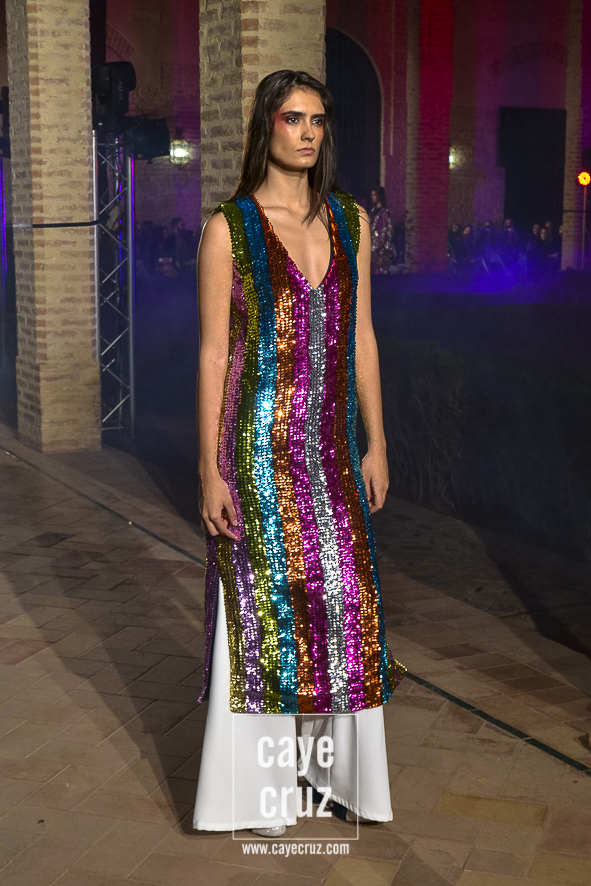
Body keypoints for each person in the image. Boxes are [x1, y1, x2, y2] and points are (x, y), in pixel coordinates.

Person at [193, 69, 406, 838]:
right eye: (293, 118)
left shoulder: (350, 220)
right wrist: (208, 467)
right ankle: (257, 795)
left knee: (346, 601)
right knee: (265, 607)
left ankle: (334, 778)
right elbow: (214, 354)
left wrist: (377, 441)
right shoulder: (229, 228)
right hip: (253, 447)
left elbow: (363, 338)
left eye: (317, 119)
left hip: (331, 449)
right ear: (267, 126)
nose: (308, 132)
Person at [369, 186, 394, 273]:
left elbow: (387, 228)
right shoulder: (373, 210)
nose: (373, 197)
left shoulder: (384, 211)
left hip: (381, 246)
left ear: (379, 195)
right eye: (372, 195)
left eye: (375, 194)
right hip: (372, 243)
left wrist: (382, 243)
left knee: (380, 269)